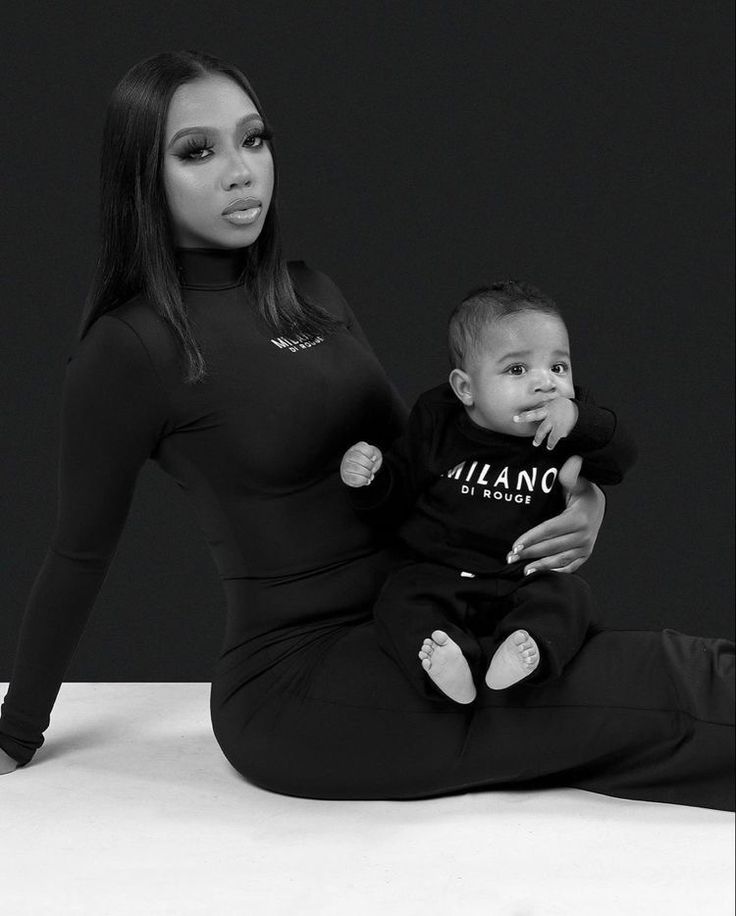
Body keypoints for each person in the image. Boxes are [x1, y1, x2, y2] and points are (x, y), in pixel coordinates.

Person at [1, 51, 733, 811]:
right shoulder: (133, 347)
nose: (241, 170)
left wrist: (584, 499)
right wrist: (15, 732)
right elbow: (78, 552)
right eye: (198, 150)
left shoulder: (310, 292)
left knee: (665, 681)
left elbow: (430, 458)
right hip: (304, 684)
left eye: (254, 140)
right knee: (668, 689)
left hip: (439, 613)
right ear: (141, 178)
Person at [340, 282, 637, 704]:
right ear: (466, 389)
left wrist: (579, 420)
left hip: (523, 577)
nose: (546, 384)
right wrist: (369, 480)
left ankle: (527, 649)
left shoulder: (569, 424)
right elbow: (395, 497)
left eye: (559, 367)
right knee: (399, 600)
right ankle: (446, 663)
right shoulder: (438, 420)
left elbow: (621, 458)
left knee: (571, 597)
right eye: (517, 370)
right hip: (438, 572)